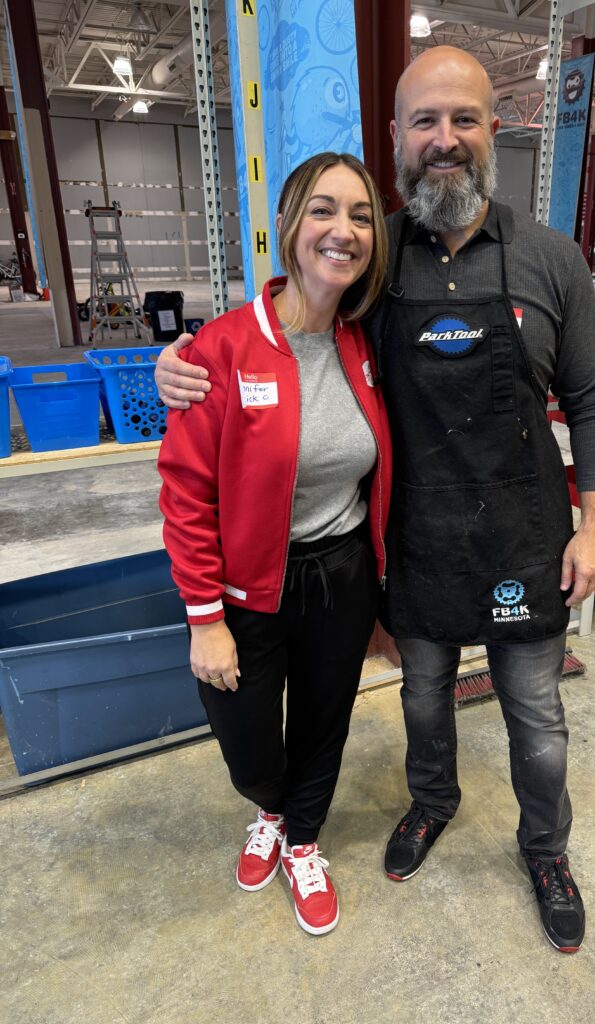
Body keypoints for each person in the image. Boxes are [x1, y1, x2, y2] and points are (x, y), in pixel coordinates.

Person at [155, 47, 595, 954]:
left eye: (464, 119)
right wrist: (185, 363)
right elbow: (295, 318)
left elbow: (594, 399)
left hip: (528, 538)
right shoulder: (377, 259)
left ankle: (547, 851)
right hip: (413, 545)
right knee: (421, 704)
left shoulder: (552, 260)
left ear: (495, 128)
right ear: (398, 137)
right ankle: (431, 804)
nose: (444, 140)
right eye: (423, 122)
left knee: (537, 719)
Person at [157, 152, 392, 937]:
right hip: (246, 588)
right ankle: (269, 805)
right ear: (292, 227)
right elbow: (187, 493)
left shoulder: (368, 341)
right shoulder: (221, 350)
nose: (344, 231)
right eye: (325, 210)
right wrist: (202, 617)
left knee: (326, 718)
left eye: (361, 216)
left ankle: (303, 840)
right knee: (248, 735)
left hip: (344, 571)